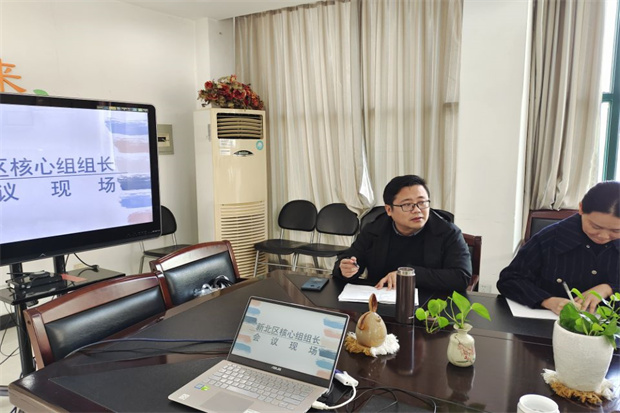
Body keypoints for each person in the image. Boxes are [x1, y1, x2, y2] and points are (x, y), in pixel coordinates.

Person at [497, 181, 620, 315]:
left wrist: (609, 289)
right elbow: (510, 280)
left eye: (616, 230)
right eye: (595, 227)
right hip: (549, 323)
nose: (603, 236)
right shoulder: (550, 238)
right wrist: (548, 301)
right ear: (581, 208)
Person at [332, 175, 472, 291]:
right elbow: (349, 260)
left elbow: (461, 277)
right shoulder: (374, 230)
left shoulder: (448, 232)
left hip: (430, 305)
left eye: (422, 202)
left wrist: (408, 275)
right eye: (407, 204)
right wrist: (345, 269)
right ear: (389, 210)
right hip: (381, 301)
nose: (417, 210)